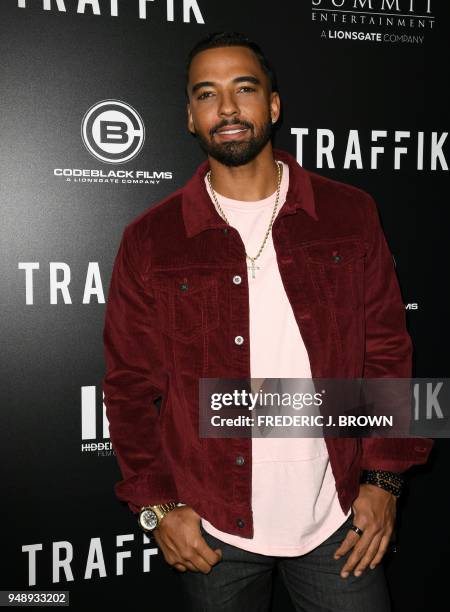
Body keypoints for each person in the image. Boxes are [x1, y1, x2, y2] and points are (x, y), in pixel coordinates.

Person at [102, 31, 434, 611]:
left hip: (337, 515)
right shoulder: (150, 240)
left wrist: (385, 484)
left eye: (244, 89)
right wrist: (156, 508)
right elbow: (129, 388)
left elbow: (388, 352)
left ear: (273, 106)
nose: (226, 108)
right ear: (189, 117)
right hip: (211, 527)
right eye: (207, 94)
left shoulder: (350, 213)